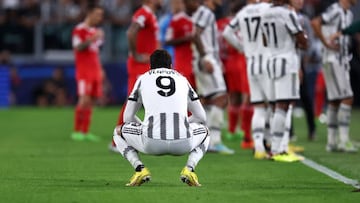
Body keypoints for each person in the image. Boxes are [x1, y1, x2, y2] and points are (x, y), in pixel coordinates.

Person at [113, 49, 209, 187]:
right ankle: (189, 169)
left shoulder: (143, 78)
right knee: (206, 131)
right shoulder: (182, 79)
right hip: (183, 143)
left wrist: (143, 127)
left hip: (151, 142)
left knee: (117, 131)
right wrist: (183, 124)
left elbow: (127, 117)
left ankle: (140, 169)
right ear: (171, 66)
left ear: (150, 66)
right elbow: (201, 116)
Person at [111, 0, 162, 151]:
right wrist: (136, 55)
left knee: (148, 100)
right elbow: (131, 32)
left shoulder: (150, 15)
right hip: (139, 64)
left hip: (147, 64)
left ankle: (154, 135)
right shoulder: (143, 13)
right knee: (132, 100)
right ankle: (118, 140)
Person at [222, 0, 272, 159]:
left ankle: (256, 144)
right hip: (264, 61)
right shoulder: (268, 9)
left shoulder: (242, 15)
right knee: (269, 104)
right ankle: (272, 143)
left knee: (253, 103)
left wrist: (243, 48)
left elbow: (226, 33)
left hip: (248, 61)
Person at [184, 0, 234, 154]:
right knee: (221, 97)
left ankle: (197, 137)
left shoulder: (200, 13)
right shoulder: (205, 13)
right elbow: (196, 34)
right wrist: (206, 57)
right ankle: (214, 141)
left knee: (205, 100)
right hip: (206, 59)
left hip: (202, 59)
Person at [261, 0, 308, 161]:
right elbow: (303, 41)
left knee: (276, 106)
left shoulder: (265, 13)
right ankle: (277, 150)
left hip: (272, 60)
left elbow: (265, 40)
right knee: (283, 105)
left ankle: (276, 147)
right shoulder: (288, 13)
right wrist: (301, 39)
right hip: (287, 62)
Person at [311, 0, 358, 152]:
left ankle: (331, 142)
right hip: (334, 59)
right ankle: (343, 141)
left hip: (340, 59)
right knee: (347, 97)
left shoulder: (348, 13)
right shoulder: (336, 10)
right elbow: (316, 22)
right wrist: (325, 43)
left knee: (334, 100)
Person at [217, 1, 254, 149]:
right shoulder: (243, 22)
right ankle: (246, 133)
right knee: (249, 97)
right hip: (242, 60)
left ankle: (232, 130)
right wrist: (243, 48)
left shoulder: (220, 23)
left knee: (234, 96)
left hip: (228, 62)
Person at [71, 4, 104, 142]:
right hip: (84, 71)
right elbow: (78, 47)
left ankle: (85, 131)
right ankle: (76, 131)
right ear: (89, 13)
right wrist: (92, 38)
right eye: (97, 14)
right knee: (84, 99)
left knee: (92, 100)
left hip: (95, 70)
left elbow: (95, 53)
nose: (99, 18)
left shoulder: (96, 30)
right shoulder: (79, 30)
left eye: (101, 15)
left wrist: (100, 69)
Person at [165, 0, 195, 87]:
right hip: (182, 64)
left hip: (196, 64)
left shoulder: (197, 19)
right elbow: (167, 40)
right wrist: (185, 39)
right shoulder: (176, 20)